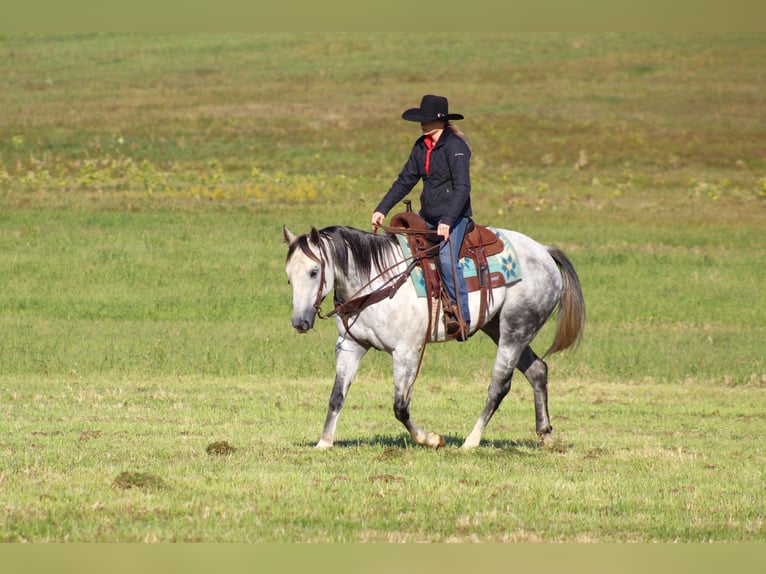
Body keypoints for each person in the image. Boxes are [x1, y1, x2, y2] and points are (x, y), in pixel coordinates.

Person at [371, 94, 472, 339]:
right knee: (401, 248)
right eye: (421, 120)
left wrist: (447, 221)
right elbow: (405, 180)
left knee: (447, 260)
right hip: (427, 215)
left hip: (455, 217)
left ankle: (461, 316)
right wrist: (382, 208)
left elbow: (463, 188)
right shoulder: (421, 146)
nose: (422, 124)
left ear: (440, 121)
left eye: (426, 120)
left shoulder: (456, 148)